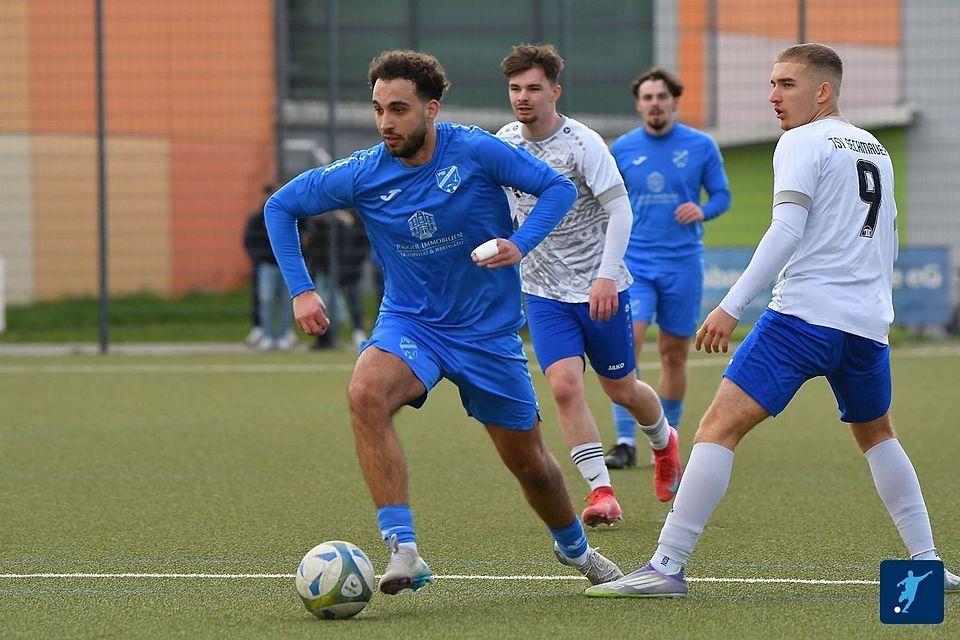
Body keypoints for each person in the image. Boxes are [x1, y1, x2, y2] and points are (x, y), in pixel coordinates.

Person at [585, 43, 960, 598]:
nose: (773, 95)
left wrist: (730, 304)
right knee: (879, 435)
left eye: (786, 83)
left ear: (823, 90)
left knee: (716, 428)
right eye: (772, 83)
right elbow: (887, 240)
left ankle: (666, 566)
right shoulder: (873, 146)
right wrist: (874, 309)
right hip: (865, 326)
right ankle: (929, 567)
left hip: (803, 319)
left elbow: (785, 229)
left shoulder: (801, 141)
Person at [265, 49, 623, 595]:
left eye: (400, 109)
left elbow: (559, 188)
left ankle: (574, 547)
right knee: (365, 393)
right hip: (412, 324)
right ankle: (403, 549)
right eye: (379, 108)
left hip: (487, 334)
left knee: (531, 465)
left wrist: (518, 244)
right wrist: (302, 290)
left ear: (430, 110)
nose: (386, 122)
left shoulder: (476, 151)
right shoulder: (364, 171)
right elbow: (280, 207)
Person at [496, 44, 684, 520]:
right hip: (542, 291)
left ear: (554, 92)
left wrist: (604, 277)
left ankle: (664, 441)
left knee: (621, 388)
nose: (524, 97)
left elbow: (620, 210)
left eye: (534, 88)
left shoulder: (583, 143)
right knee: (562, 386)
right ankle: (602, 493)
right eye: (516, 89)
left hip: (601, 289)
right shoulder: (505, 142)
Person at [605, 66, 731, 470]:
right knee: (628, 347)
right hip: (635, 263)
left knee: (674, 353)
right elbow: (605, 202)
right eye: (647, 98)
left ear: (674, 101)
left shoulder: (701, 145)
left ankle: (670, 439)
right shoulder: (621, 148)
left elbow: (723, 196)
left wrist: (703, 209)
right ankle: (626, 440)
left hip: (682, 265)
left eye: (662, 97)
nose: (655, 104)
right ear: (638, 104)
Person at [303, 209, 371, 351]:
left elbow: (362, 242)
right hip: (326, 269)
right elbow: (313, 244)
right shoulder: (319, 219)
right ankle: (326, 338)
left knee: (353, 300)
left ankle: (357, 331)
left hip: (350, 267)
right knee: (326, 302)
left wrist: (354, 261)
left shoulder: (354, 215)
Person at [242, 188, 297, 351]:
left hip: (286, 266)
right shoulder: (257, 219)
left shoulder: (289, 216)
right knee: (266, 300)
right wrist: (259, 259)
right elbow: (249, 241)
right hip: (267, 264)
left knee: (288, 302)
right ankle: (268, 335)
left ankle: (285, 335)